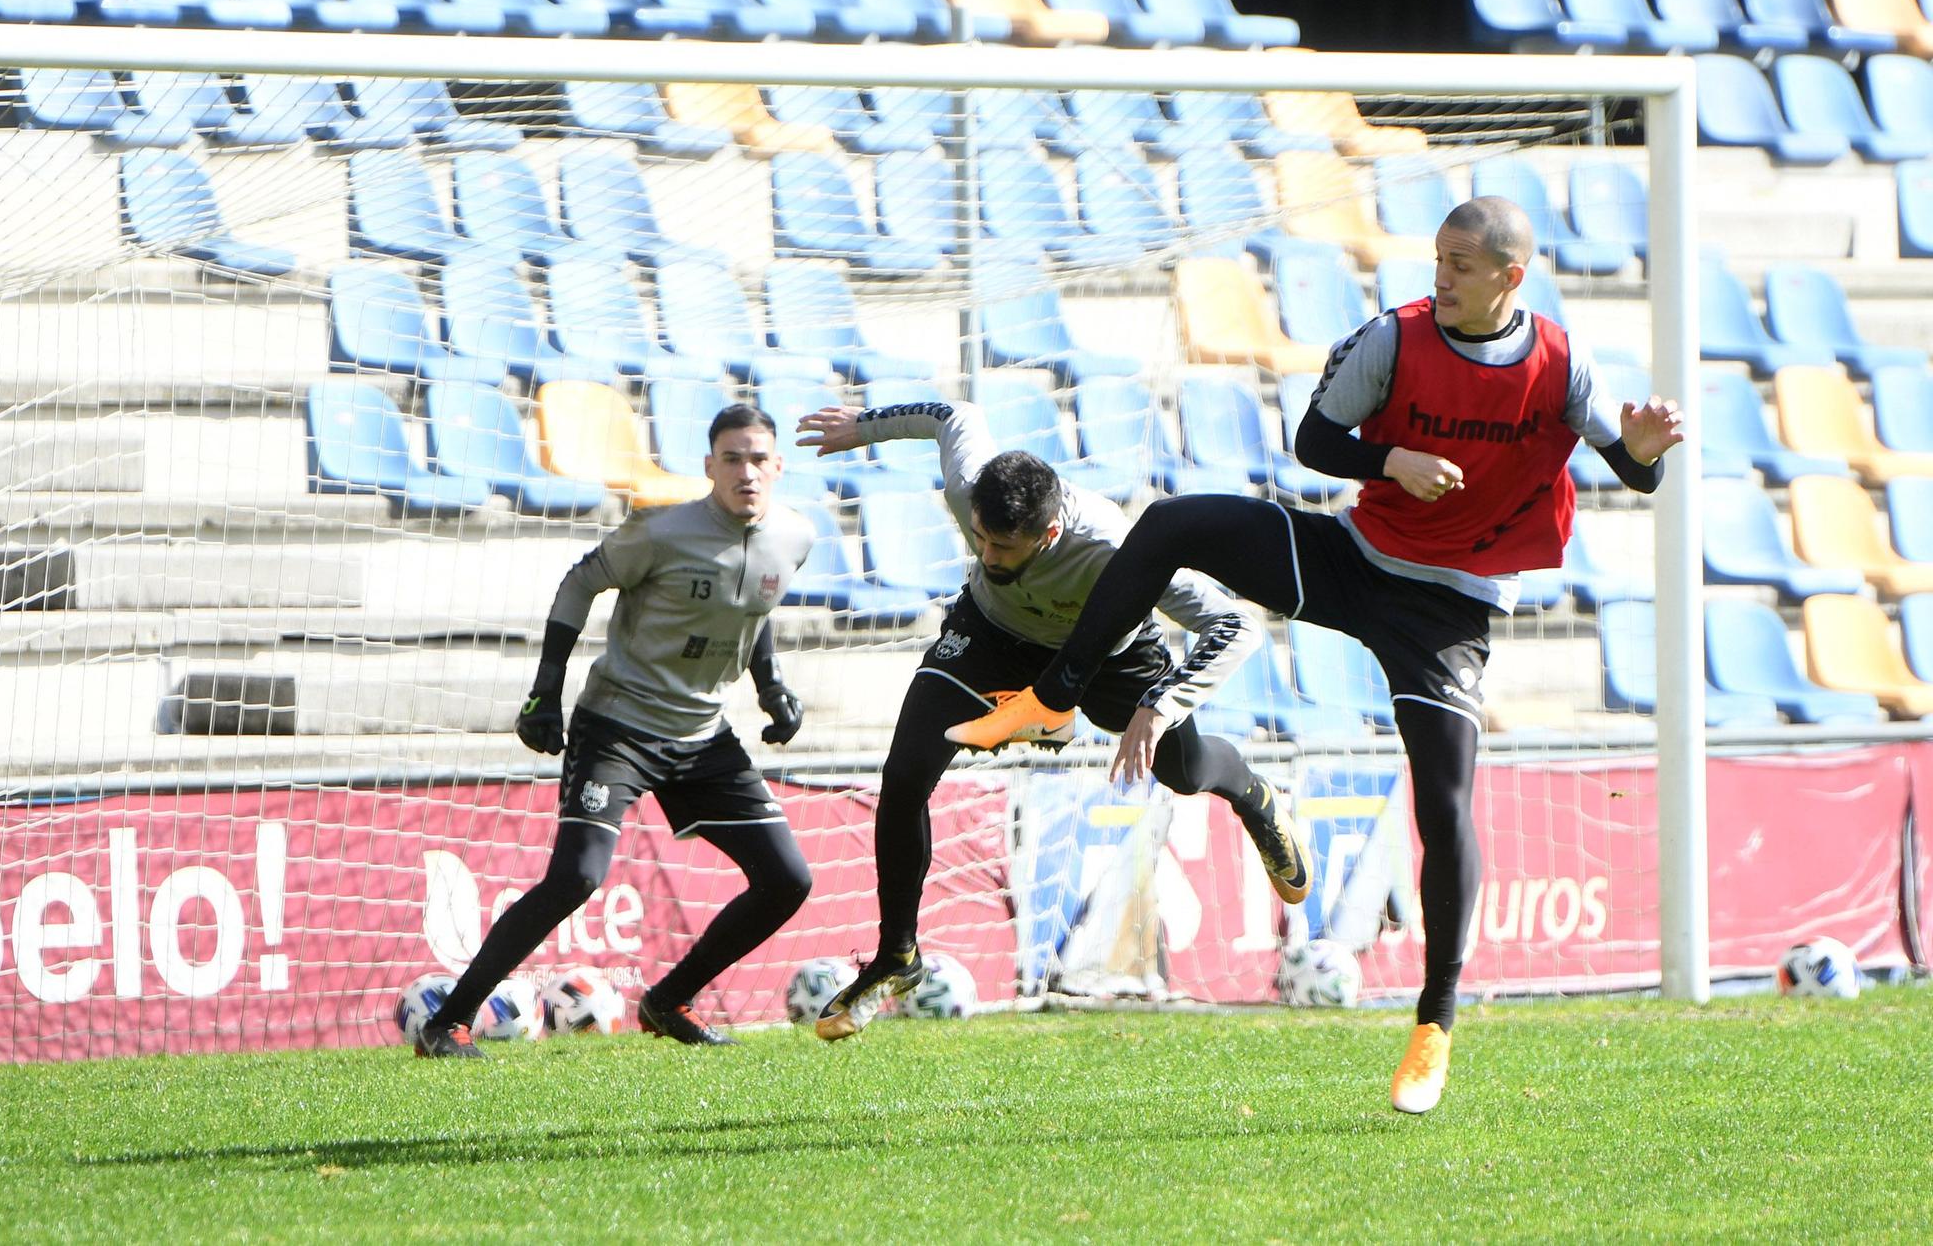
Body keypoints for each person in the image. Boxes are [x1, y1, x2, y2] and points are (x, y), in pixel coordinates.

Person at [948, 197, 1686, 1114]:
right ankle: (1054, 692)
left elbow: (1637, 467)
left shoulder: (1563, 361)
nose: (1441, 276)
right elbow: (1314, 439)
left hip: (1449, 609)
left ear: (1511, 278)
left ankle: (1433, 1028)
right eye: (1438, 258)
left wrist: (1646, 454)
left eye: (1461, 264)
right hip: (1353, 560)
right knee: (1175, 522)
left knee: (1447, 799)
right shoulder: (1393, 337)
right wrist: (1392, 461)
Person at [792, 398, 1313, 1042]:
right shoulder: (973, 489)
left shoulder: (1114, 548)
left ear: (1049, 536)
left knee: (1187, 771)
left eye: (1003, 546)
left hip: (1108, 657)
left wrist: (1159, 706)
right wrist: (861, 428)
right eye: (979, 535)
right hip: (990, 637)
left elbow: (1237, 626)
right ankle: (897, 954)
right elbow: (951, 414)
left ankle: (1253, 794)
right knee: (904, 777)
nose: (986, 553)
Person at [416, 405, 816, 1057]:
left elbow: (753, 605)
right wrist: (546, 691)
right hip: (618, 725)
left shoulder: (794, 536)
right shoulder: (661, 531)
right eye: (733, 458)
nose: (747, 471)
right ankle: (449, 1020)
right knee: (577, 876)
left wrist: (770, 687)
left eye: (759, 458)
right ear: (709, 465)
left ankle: (667, 999)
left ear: (778, 466)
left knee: (787, 880)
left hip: (703, 734)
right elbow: (580, 584)